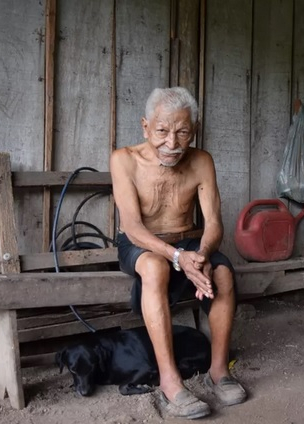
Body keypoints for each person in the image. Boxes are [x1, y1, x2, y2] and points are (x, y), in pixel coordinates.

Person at [110, 87, 247, 419]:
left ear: (193, 130)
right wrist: (176, 258)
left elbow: (213, 222)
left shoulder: (202, 161)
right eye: (162, 131)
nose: (172, 143)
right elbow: (132, 227)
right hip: (142, 244)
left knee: (223, 273)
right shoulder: (123, 160)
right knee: (155, 269)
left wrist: (200, 254)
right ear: (146, 127)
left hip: (190, 243)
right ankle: (171, 382)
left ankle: (219, 372)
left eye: (182, 132)